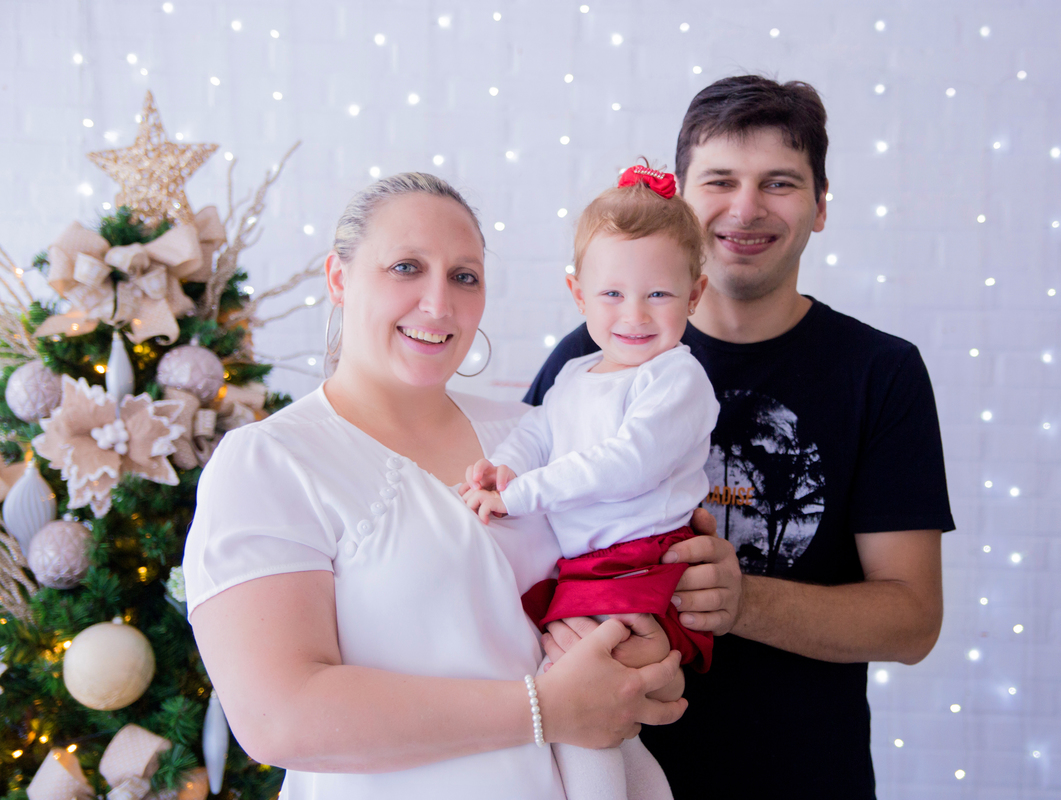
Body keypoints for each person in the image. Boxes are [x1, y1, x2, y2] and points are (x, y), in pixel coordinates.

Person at [182, 172, 694, 800]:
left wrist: (655, 647)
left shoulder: (537, 432)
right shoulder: (270, 463)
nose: (438, 303)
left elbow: (646, 573)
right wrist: (545, 709)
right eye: (405, 267)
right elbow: (278, 717)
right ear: (339, 279)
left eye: (464, 276)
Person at [527, 76, 956, 798]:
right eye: (720, 180)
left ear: (820, 206)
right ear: (680, 205)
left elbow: (912, 619)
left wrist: (742, 601)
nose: (746, 208)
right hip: (608, 771)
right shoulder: (591, 357)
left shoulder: (880, 373)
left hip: (804, 777)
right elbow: (523, 534)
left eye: (780, 183)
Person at [461, 165, 720, 800]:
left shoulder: (676, 379)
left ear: (696, 293)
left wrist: (523, 495)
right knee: (558, 681)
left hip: (642, 560)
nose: (634, 314)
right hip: (587, 565)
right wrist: (507, 467)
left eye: (658, 295)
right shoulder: (576, 373)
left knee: (587, 689)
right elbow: (538, 431)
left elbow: (624, 463)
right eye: (612, 295)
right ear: (578, 294)